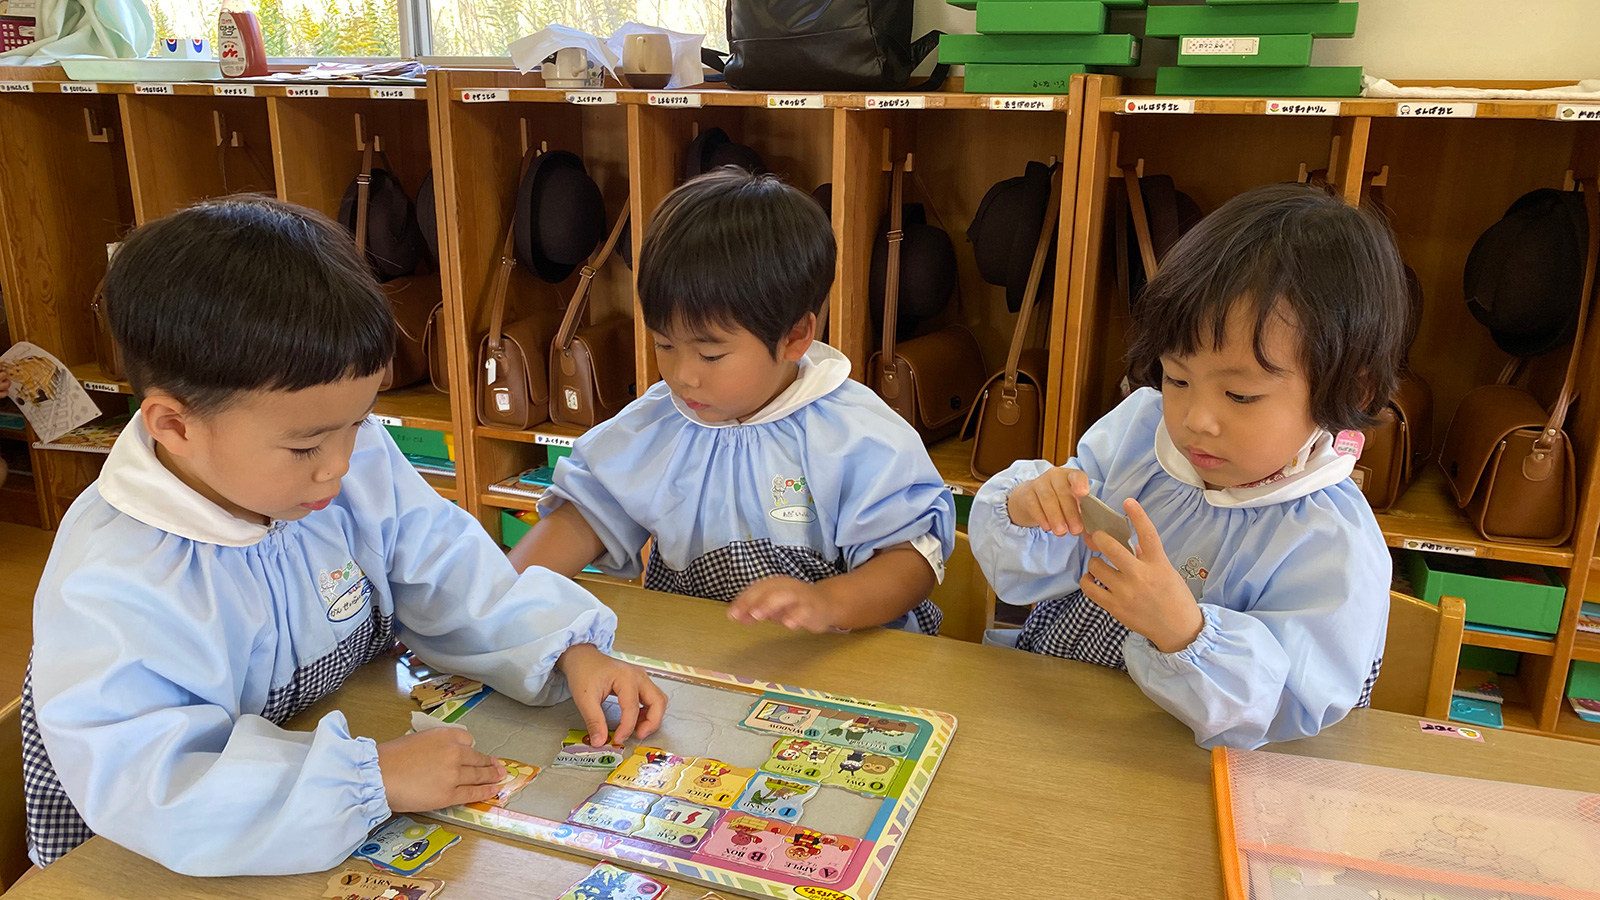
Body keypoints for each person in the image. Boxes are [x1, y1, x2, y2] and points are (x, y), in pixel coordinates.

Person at [24, 197, 666, 875]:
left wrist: (565, 648)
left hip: (315, 785)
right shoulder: (112, 578)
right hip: (146, 855)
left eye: (359, 422)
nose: (341, 463)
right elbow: (161, 786)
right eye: (305, 446)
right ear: (176, 427)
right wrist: (372, 779)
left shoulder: (341, 460)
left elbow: (446, 570)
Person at [971, 183, 1408, 749]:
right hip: (1065, 720)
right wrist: (1032, 508)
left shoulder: (1330, 542)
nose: (1196, 419)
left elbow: (1284, 712)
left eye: (1241, 396)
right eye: (1177, 379)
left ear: (1347, 387)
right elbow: (1039, 570)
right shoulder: (1140, 435)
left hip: (1192, 768)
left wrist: (1185, 633)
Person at [509, 169, 955, 634]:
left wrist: (830, 603)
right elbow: (586, 517)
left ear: (795, 337)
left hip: (841, 666)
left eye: (710, 353)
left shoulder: (855, 435)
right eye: (664, 344)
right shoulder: (659, 426)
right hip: (703, 661)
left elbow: (910, 561)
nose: (682, 375)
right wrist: (500, 598)